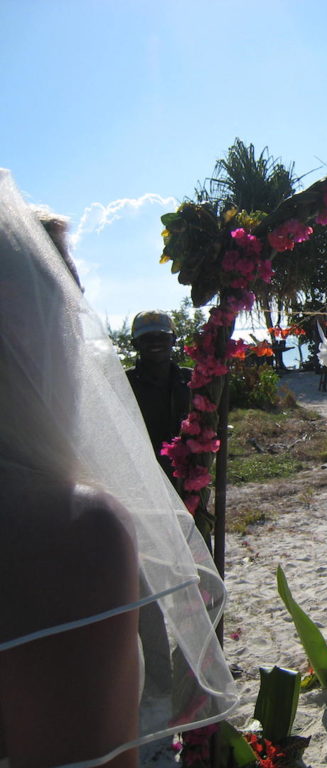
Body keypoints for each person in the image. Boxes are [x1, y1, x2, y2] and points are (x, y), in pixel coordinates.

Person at [0, 169, 237, 767]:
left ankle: (156, 693)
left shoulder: (184, 384)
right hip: (136, 499)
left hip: (165, 494)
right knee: (145, 611)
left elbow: (201, 432)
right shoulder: (70, 531)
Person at [126, 311, 193, 480]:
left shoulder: (193, 380)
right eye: (147, 338)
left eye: (162, 336)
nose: (155, 342)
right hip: (139, 475)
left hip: (187, 475)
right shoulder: (123, 383)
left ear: (174, 340)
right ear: (135, 343)